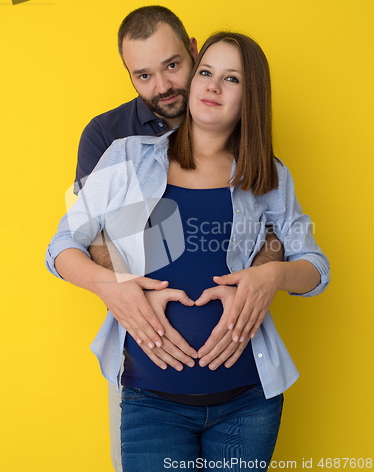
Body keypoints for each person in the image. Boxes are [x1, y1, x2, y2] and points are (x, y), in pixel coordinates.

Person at [46, 31, 329, 470]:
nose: (213, 86)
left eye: (231, 78)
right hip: (150, 401)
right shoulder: (127, 156)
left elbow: (314, 266)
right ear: (194, 81)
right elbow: (62, 245)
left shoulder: (270, 175)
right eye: (206, 73)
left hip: (248, 404)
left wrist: (270, 276)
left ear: (251, 96)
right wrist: (115, 287)